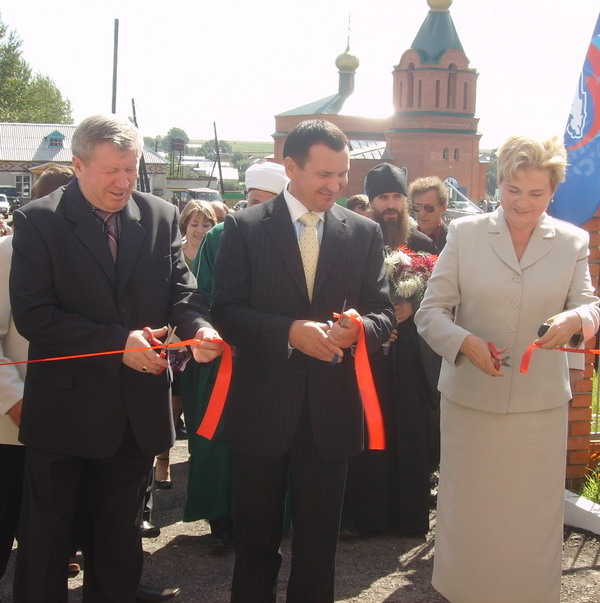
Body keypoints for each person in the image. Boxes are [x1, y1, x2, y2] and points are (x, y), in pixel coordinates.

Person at [9, 114, 223, 603]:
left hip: (132, 418)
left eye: (131, 168)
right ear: (78, 165)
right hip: (63, 417)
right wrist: (117, 344)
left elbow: (183, 294)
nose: (124, 181)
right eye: (111, 171)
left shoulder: (159, 215)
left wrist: (199, 329)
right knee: (46, 548)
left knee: (118, 547)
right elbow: (35, 316)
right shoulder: (39, 220)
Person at [210, 119, 395, 602]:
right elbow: (225, 311)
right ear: (290, 167)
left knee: (318, 549)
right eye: (324, 174)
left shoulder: (364, 233)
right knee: (254, 545)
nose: (335, 186)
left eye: (343, 174)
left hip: (331, 414)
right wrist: (288, 332)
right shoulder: (244, 227)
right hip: (261, 410)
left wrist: (359, 331)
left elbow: (383, 312)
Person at [415, 135, 600, 603]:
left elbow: (589, 307)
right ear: (499, 183)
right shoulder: (465, 233)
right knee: (470, 517)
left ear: (553, 191)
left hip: (540, 410)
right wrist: (464, 342)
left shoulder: (573, 242)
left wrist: (575, 319)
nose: (523, 203)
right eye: (513, 190)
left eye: (536, 194)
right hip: (471, 404)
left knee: (529, 520)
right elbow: (430, 313)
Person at [181, 161, 289, 548]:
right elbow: (206, 295)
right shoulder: (219, 236)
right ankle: (221, 515)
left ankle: (273, 516)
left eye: (265, 202)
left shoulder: (296, 237)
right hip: (228, 356)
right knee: (219, 443)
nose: (254, 209)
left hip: (278, 356)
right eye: (251, 200)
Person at [341, 162, 436, 537]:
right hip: (367, 353)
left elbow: (442, 293)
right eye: (384, 197)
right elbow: (344, 289)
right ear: (372, 201)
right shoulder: (356, 238)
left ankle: (408, 518)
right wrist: (375, 321)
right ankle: (364, 518)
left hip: (409, 352)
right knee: (366, 427)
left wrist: (411, 307)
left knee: (409, 428)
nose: (391, 205)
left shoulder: (424, 244)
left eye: (397, 196)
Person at [408, 176, 449, 252]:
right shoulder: (404, 239)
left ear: (443, 207)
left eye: (429, 208)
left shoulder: (453, 241)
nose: (422, 213)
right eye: (418, 207)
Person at [180, 200, 217, 271]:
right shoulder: (175, 255)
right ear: (185, 225)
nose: (200, 230)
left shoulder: (218, 254)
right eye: (194, 225)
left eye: (205, 225)